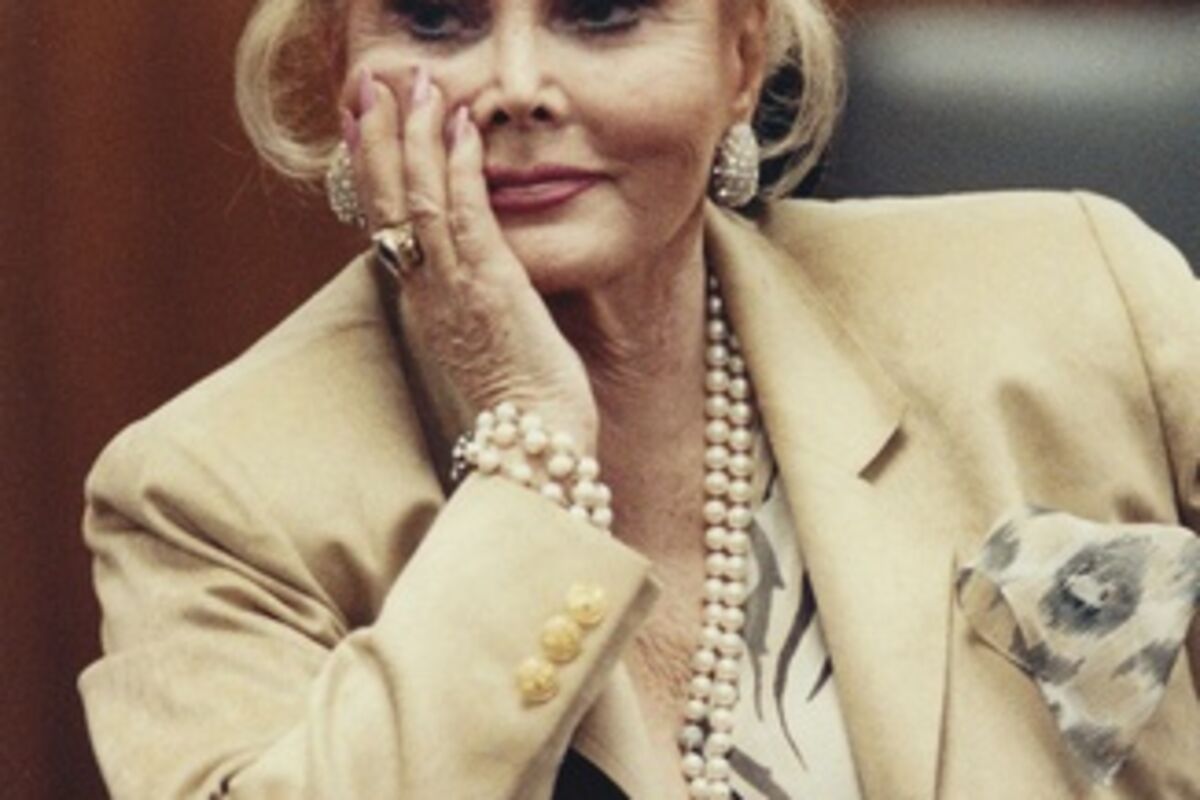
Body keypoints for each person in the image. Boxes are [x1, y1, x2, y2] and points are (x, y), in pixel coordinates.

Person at [78, 0, 1200, 797]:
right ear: (341, 70)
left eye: (603, 12)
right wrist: (529, 437)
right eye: (436, 18)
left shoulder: (1081, 295)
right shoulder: (209, 495)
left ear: (742, 55)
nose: (517, 87)